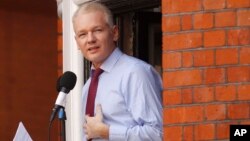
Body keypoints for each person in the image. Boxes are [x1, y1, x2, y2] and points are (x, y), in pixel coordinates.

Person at [72, 2, 162, 141]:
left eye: (97, 30)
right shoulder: (88, 86)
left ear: (114, 33)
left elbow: (158, 133)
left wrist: (107, 132)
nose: (90, 39)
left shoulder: (135, 73)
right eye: (83, 34)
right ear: (77, 42)